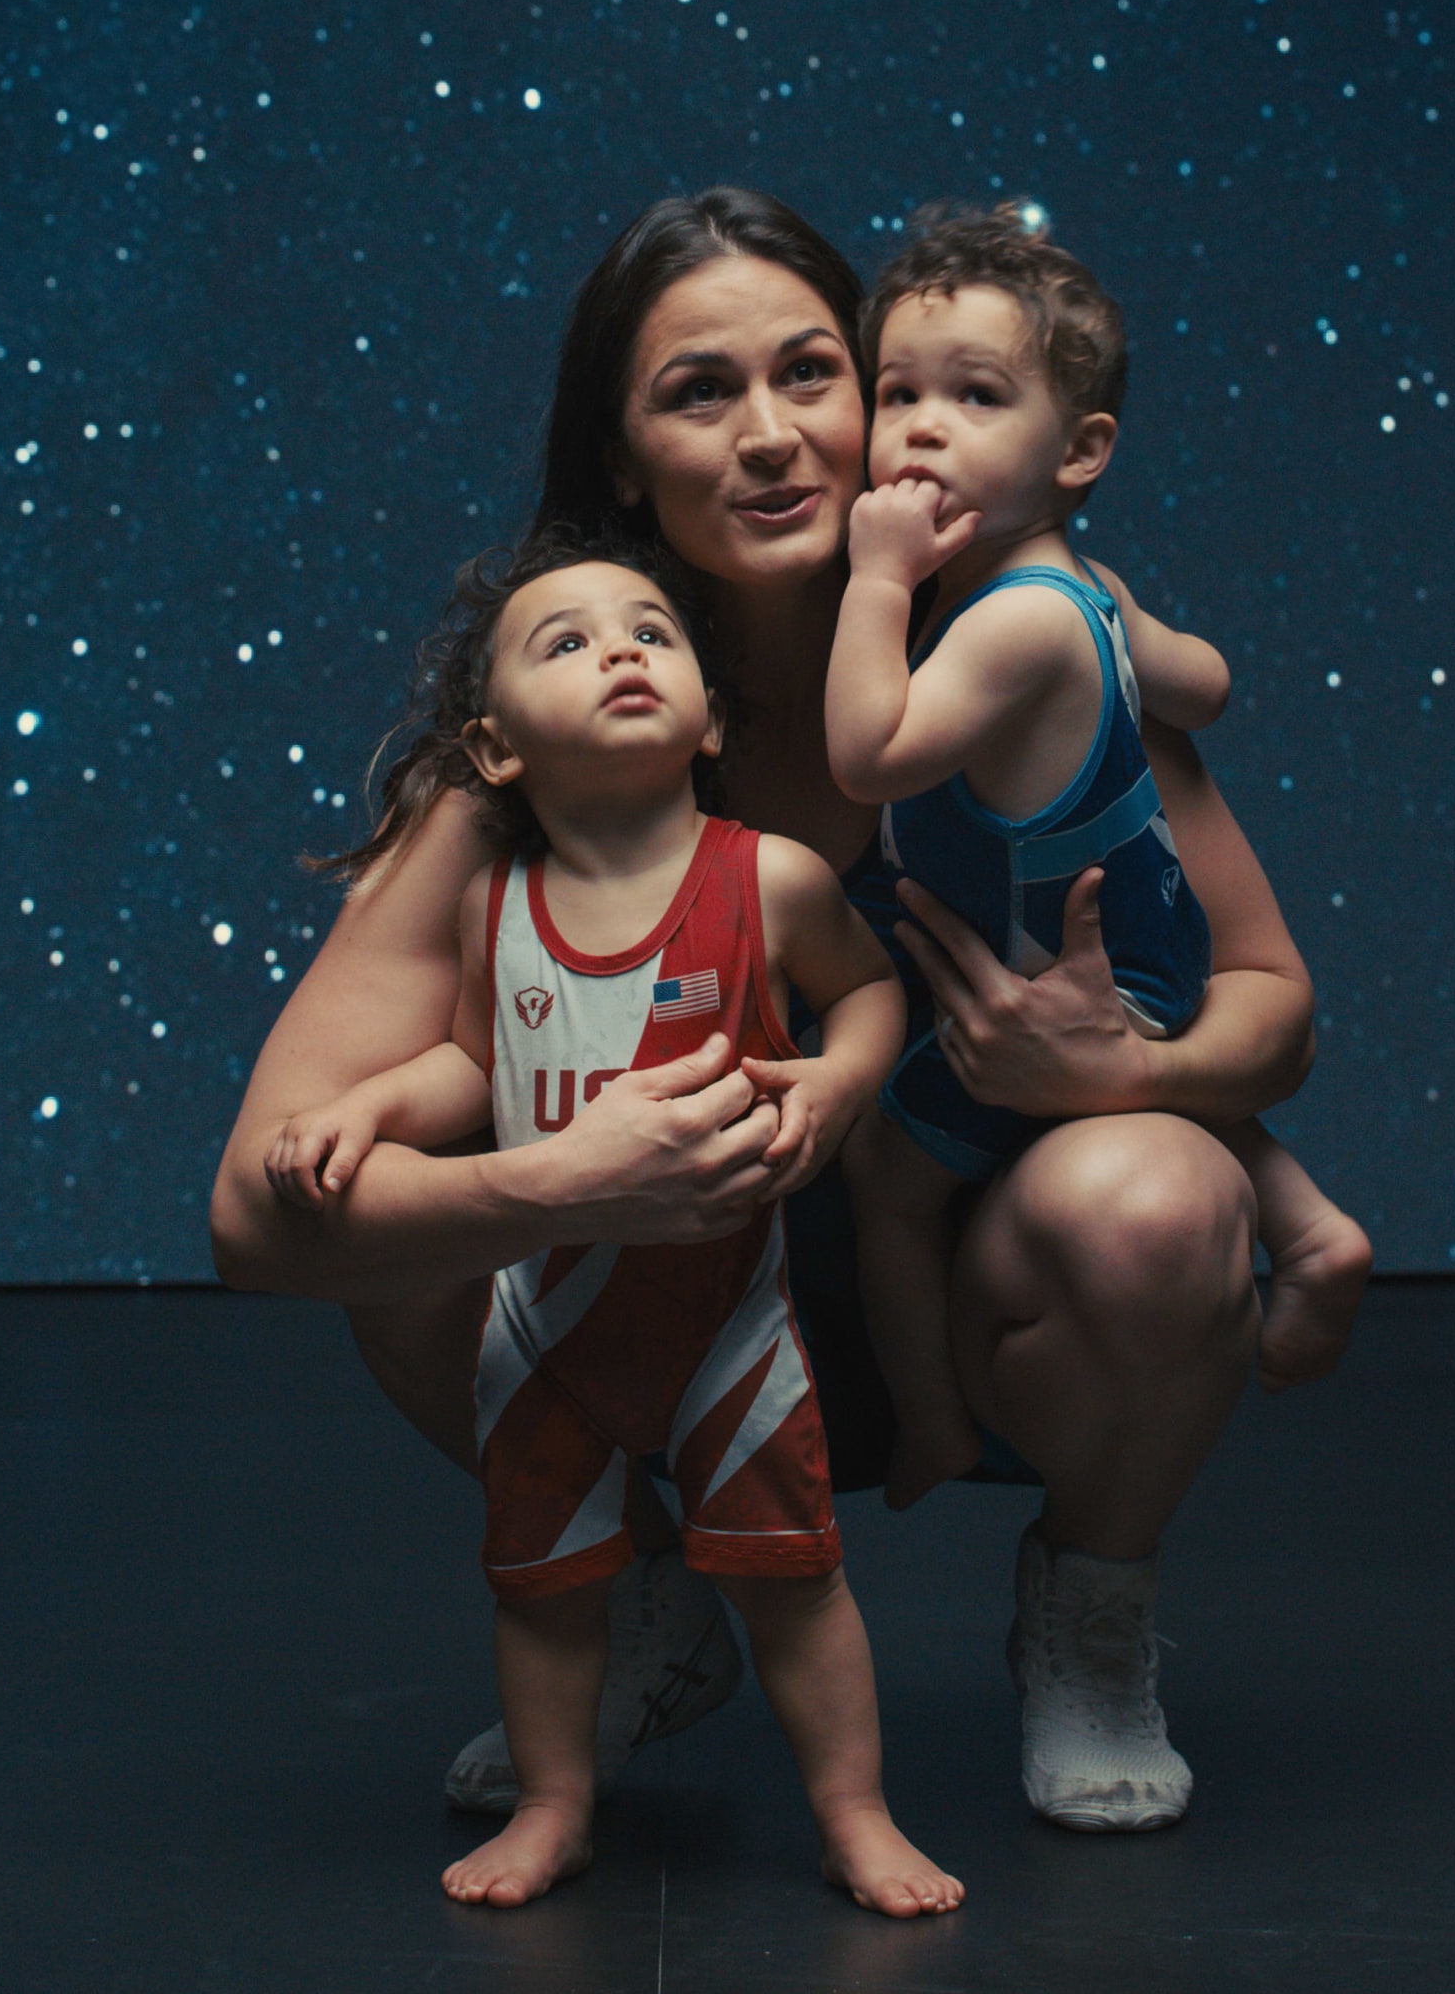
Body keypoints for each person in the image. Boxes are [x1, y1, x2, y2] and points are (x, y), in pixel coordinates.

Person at [211, 187, 1349, 1840]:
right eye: (696, 393)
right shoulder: (545, 755)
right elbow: (255, 1217)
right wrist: (553, 1183)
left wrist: (1133, 1065)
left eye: (817, 374)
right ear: (619, 459)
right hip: (660, 1317)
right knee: (393, 1222)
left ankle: (1092, 1616)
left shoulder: (1021, 665)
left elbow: (1281, 1014)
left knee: (1165, 1195)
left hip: (960, 1288)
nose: (772, 437)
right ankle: (644, 1595)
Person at [263, 529, 954, 1913]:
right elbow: (474, 1065)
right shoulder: (493, 907)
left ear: (706, 714)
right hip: (549, 1321)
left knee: (795, 1581)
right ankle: (559, 1806)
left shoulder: (769, 880)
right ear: (497, 750)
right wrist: (371, 1113)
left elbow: (873, 995)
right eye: (563, 644)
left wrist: (842, 1078)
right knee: (543, 1584)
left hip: (728, 1325)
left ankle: (855, 1812)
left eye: (650, 632)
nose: (620, 652)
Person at [825, 202, 1378, 1513]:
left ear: (1080, 452)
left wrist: (874, 582)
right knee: (1160, 1080)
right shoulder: (1096, 591)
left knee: (886, 1187)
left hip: (1055, 962)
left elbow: (868, 756)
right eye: (896, 393)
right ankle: (1304, 1223)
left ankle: (933, 1422)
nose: (921, 429)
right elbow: (1210, 682)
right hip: (1141, 932)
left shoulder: (1002, 628)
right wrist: (1140, 683)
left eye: (975, 396)